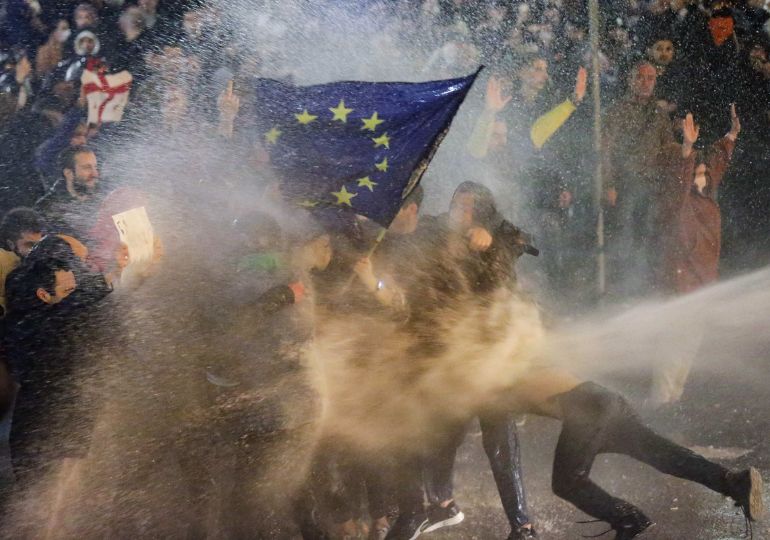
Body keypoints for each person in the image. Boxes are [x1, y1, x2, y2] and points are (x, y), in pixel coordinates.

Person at [649, 107, 739, 407]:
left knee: (688, 348)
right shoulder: (678, 200)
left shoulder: (707, 200)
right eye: (697, 172)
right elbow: (679, 180)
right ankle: (661, 402)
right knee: (673, 347)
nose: (703, 176)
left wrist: (731, 136)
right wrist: (687, 151)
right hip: (680, 285)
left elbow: (716, 164)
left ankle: (672, 401)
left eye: (703, 173)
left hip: (701, 287)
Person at [603, 60, 674, 299]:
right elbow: (605, 150)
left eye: (650, 78)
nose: (645, 83)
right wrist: (609, 184)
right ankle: (623, 287)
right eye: (640, 77)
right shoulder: (617, 110)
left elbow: (668, 148)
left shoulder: (659, 114)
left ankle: (647, 286)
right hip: (626, 183)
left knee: (651, 234)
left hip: (654, 183)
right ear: (630, 79)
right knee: (624, 235)